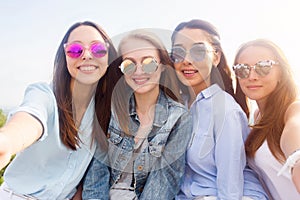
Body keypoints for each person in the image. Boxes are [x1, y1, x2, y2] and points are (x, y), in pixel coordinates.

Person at [0, 21, 121, 199]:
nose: (87, 55)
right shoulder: (45, 95)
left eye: (98, 49)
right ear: (64, 57)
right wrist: (7, 141)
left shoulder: (103, 111)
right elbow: (29, 120)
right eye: (75, 50)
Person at [82, 29, 192, 200]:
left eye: (149, 63)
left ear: (162, 66)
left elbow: (165, 179)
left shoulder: (178, 117)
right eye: (129, 64)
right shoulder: (112, 108)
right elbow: (97, 173)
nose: (139, 71)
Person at [170, 19, 268, 199]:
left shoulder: (225, 110)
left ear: (215, 57)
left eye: (198, 51)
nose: (186, 60)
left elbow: (230, 187)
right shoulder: (179, 106)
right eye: (178, 52)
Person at [233, 38, 300, 199]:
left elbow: (295, 134)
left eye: (263, 67)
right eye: (242, 69)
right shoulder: (255, 117)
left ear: (281, 72)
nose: (252, 76)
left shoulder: (293, 110)